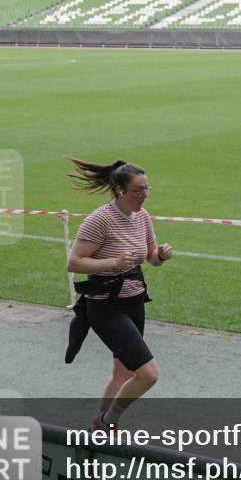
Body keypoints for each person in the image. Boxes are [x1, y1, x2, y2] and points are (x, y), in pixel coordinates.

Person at [65, 157, 173, 430]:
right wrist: (112, 264)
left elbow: (150, 257)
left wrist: (160, 255)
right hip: (106, 306)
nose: (144, 195)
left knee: (124, 371)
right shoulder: (99, 220)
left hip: (135, 301)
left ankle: (101, 426)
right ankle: (105, 422)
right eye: (138, 190)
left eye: (147, 189)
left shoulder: (143, 217)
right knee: (148, 374)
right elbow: (74, 262)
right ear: (120, 191)